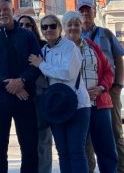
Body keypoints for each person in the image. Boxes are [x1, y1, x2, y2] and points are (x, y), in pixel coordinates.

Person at [0, 0, 41, 173]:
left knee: (29, 147)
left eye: (6, 9)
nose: (2, 13)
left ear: (13, 11)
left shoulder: (27, 36)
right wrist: (8, 84)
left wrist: (21, 81)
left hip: (25, 97)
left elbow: (36, 64)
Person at [29, 14, 91, 173]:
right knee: (63, 154)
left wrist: (41, 65)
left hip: (77, 105)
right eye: (44, 27)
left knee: (76, 152)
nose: (48, 29)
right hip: (56, 106)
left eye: (52, 26)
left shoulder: (70, 47)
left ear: (60, 28)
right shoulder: (42, 51)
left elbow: (67, 73)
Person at [63, 11, 118, 173]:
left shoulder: (92, 46)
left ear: (82, 26)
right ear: (64, 27)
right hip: (76, 108)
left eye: (77, 24)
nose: (73, 27)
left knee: (106, 149)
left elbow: (109, 71)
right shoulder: (58, 48)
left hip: (98, 104)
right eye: (69, 24)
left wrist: (102, 88)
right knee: (80, 151)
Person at [79, 2, 124, 173]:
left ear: (94, 12)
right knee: (86, 137)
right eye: (81, 11)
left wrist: (118, 86)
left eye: (87, 11)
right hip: (85, 94)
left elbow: (118, 59)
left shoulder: (106, 33)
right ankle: (89, 169)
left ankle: (120, 169)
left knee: (115, 133)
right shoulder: (74, 35)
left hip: (108, 91)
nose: (85, 14)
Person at [18, 14, 52, 173]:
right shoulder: (14, 47)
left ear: (34, 27)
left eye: (28, 24)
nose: (25, 27)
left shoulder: (43, 46)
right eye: (21, 25)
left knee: (43, 141)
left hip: (41, 97)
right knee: (26, 142)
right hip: (22, 98)